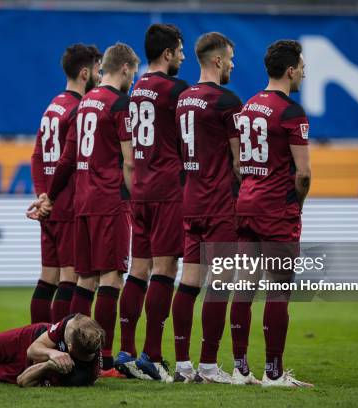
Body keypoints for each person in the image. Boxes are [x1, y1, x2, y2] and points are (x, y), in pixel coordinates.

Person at [28, 43, 139, 377]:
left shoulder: (83, 105)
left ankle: (69, 350)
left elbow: (65, 159)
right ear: (124, 69)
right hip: (108, 201)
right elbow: (130, 163)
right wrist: (136, 202)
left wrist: (48, 195)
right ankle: (103, 359)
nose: (133, 78)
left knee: (83, 280)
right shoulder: (119, 104)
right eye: (133, 72)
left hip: (81, 204)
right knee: (111, 278)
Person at [172, 32, 257, 385]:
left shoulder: (183, 99)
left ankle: (182, 365)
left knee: (188, 283)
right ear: (218, 61)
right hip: (220, 202)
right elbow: (240, 162)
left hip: (190, 201)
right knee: (218, 285)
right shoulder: (227, 101)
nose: (234, 64)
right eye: (232, 58)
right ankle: (208, 365)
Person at [234, 39, 313, 387]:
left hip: (247, 203)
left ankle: (239, 370)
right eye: (303, 66)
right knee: (279, 289)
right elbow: (304, 174)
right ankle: (274, 373)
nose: (305, 72)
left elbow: (239, 162)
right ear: (291, 69)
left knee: (244, 287)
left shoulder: (249, 105)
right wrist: (297, 205)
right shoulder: (291, 111)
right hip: (275, 209)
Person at [113, 24, 188, 383]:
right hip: (166, 189)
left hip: (139, 189)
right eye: (180, 50)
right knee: (165, 271)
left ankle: (125, 351)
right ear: (168, 53)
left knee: (137, 272)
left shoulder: (137, 87)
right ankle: (152, 356)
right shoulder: (176, 91)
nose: (184, 57)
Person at [29, 44, 102, 324]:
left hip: (49, 207)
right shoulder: (78, 109)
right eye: (97, 69)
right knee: (71, 278)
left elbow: (37, 155)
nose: (100, 74)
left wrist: (42, 195)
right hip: (68, 205)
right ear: (85, 73)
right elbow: (67, 162)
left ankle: (37, 338)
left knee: (48, 277)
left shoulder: (53, 105)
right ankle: (60, 341)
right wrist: (52, 197)